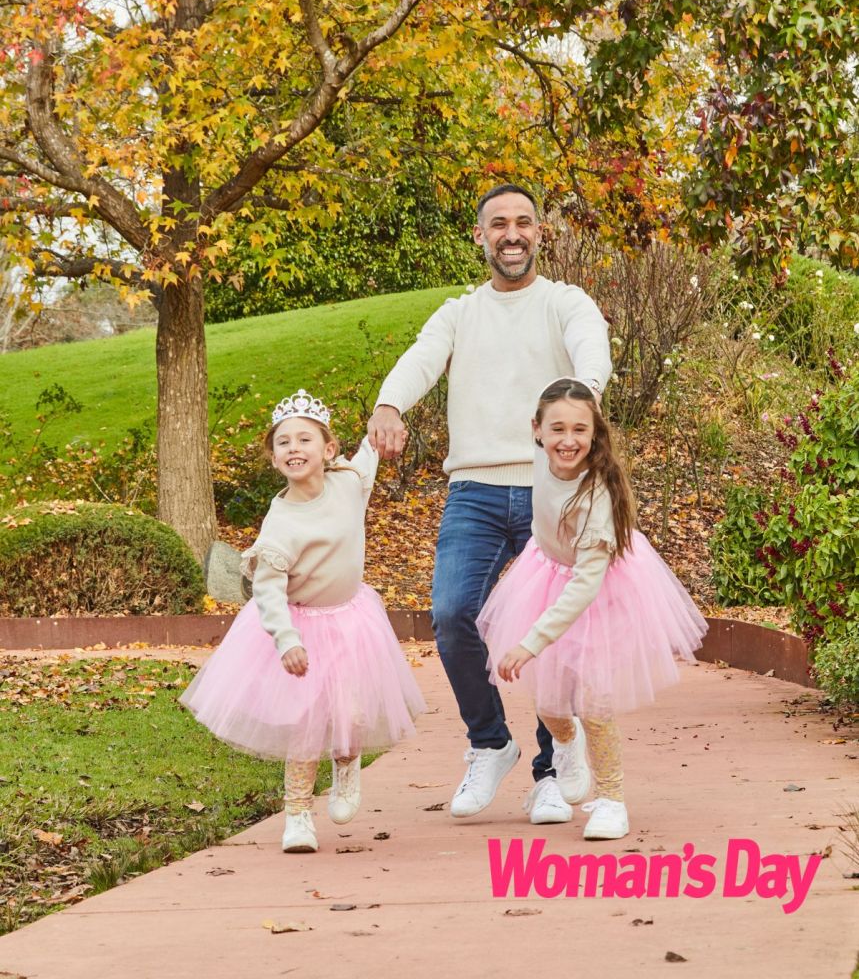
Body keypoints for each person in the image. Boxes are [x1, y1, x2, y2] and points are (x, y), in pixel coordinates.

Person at [368, 183, 612, 824]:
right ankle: (490, 742)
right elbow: (421, 360)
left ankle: (553, 769)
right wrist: (390, 402)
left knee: (549, 635)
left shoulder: (565, 302)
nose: (512, 234)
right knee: (452, 615)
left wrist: (577, 401)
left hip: (550, 490)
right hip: (474, 489)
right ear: (480, 236)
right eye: (498, 224)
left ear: (540, 232)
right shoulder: (459, 313)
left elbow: (593, 350)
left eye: (524, 223)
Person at [181, 389, 426, 853]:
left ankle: (347, 764)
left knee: (351, 715)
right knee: (306, 723)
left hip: (351, 619)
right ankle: (297, 814)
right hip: (301, 626)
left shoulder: (350, 481)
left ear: (328, 449)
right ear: (274, 459)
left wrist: (391, 408)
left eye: (305, 440)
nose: (294, 448)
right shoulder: (281, 521)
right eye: (284, 443)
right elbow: (269, 591)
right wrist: (286, 638)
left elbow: (373, 446)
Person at [477, 378, 708, 838]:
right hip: (544, 574)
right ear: (536, 430)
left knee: (596, 703)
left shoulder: (596, 493)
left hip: (603, 592)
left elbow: (586, 583)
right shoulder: (540, 461)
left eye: (580, 430)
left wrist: (531, 640)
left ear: (595, 432)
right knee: (546, 695)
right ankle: (565, 743)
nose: (568, 440)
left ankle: (611, 801)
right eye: (557, 428)